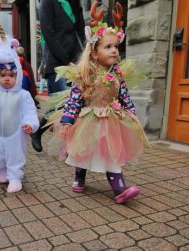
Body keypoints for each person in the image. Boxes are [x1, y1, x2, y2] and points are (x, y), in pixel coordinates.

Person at [49, 2, 149, 204]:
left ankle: (119, 189)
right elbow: (75, 99)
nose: (114, 51)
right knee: (84, 149)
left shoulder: (118, 73)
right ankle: (79, 176)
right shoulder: (87, 74)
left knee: (111, 154)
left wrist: (131, 112)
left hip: (112, 120)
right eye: (108, 47)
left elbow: (124, 95)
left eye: (116, 46)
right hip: (89, 119)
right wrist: (68, 119)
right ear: (94, 52)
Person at [0, 32, 39, 193]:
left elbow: (30, 112)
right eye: (3, 75)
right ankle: (1, 172)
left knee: (15, 156)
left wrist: (30, 124)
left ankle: (15, 177)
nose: (7, 79)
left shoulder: (23, 95)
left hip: (16, 135)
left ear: (17, 75)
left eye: (11, 75)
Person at [32, 0, 85, 152]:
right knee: (61, 105)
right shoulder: (47, 3)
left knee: (75, 104)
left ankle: (70, 146)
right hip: (56, 62)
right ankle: (40, 132)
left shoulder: (75, 3)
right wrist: (65, 60)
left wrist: (81, 58)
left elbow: (80, 32)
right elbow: (48, 34)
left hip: (75, 62)